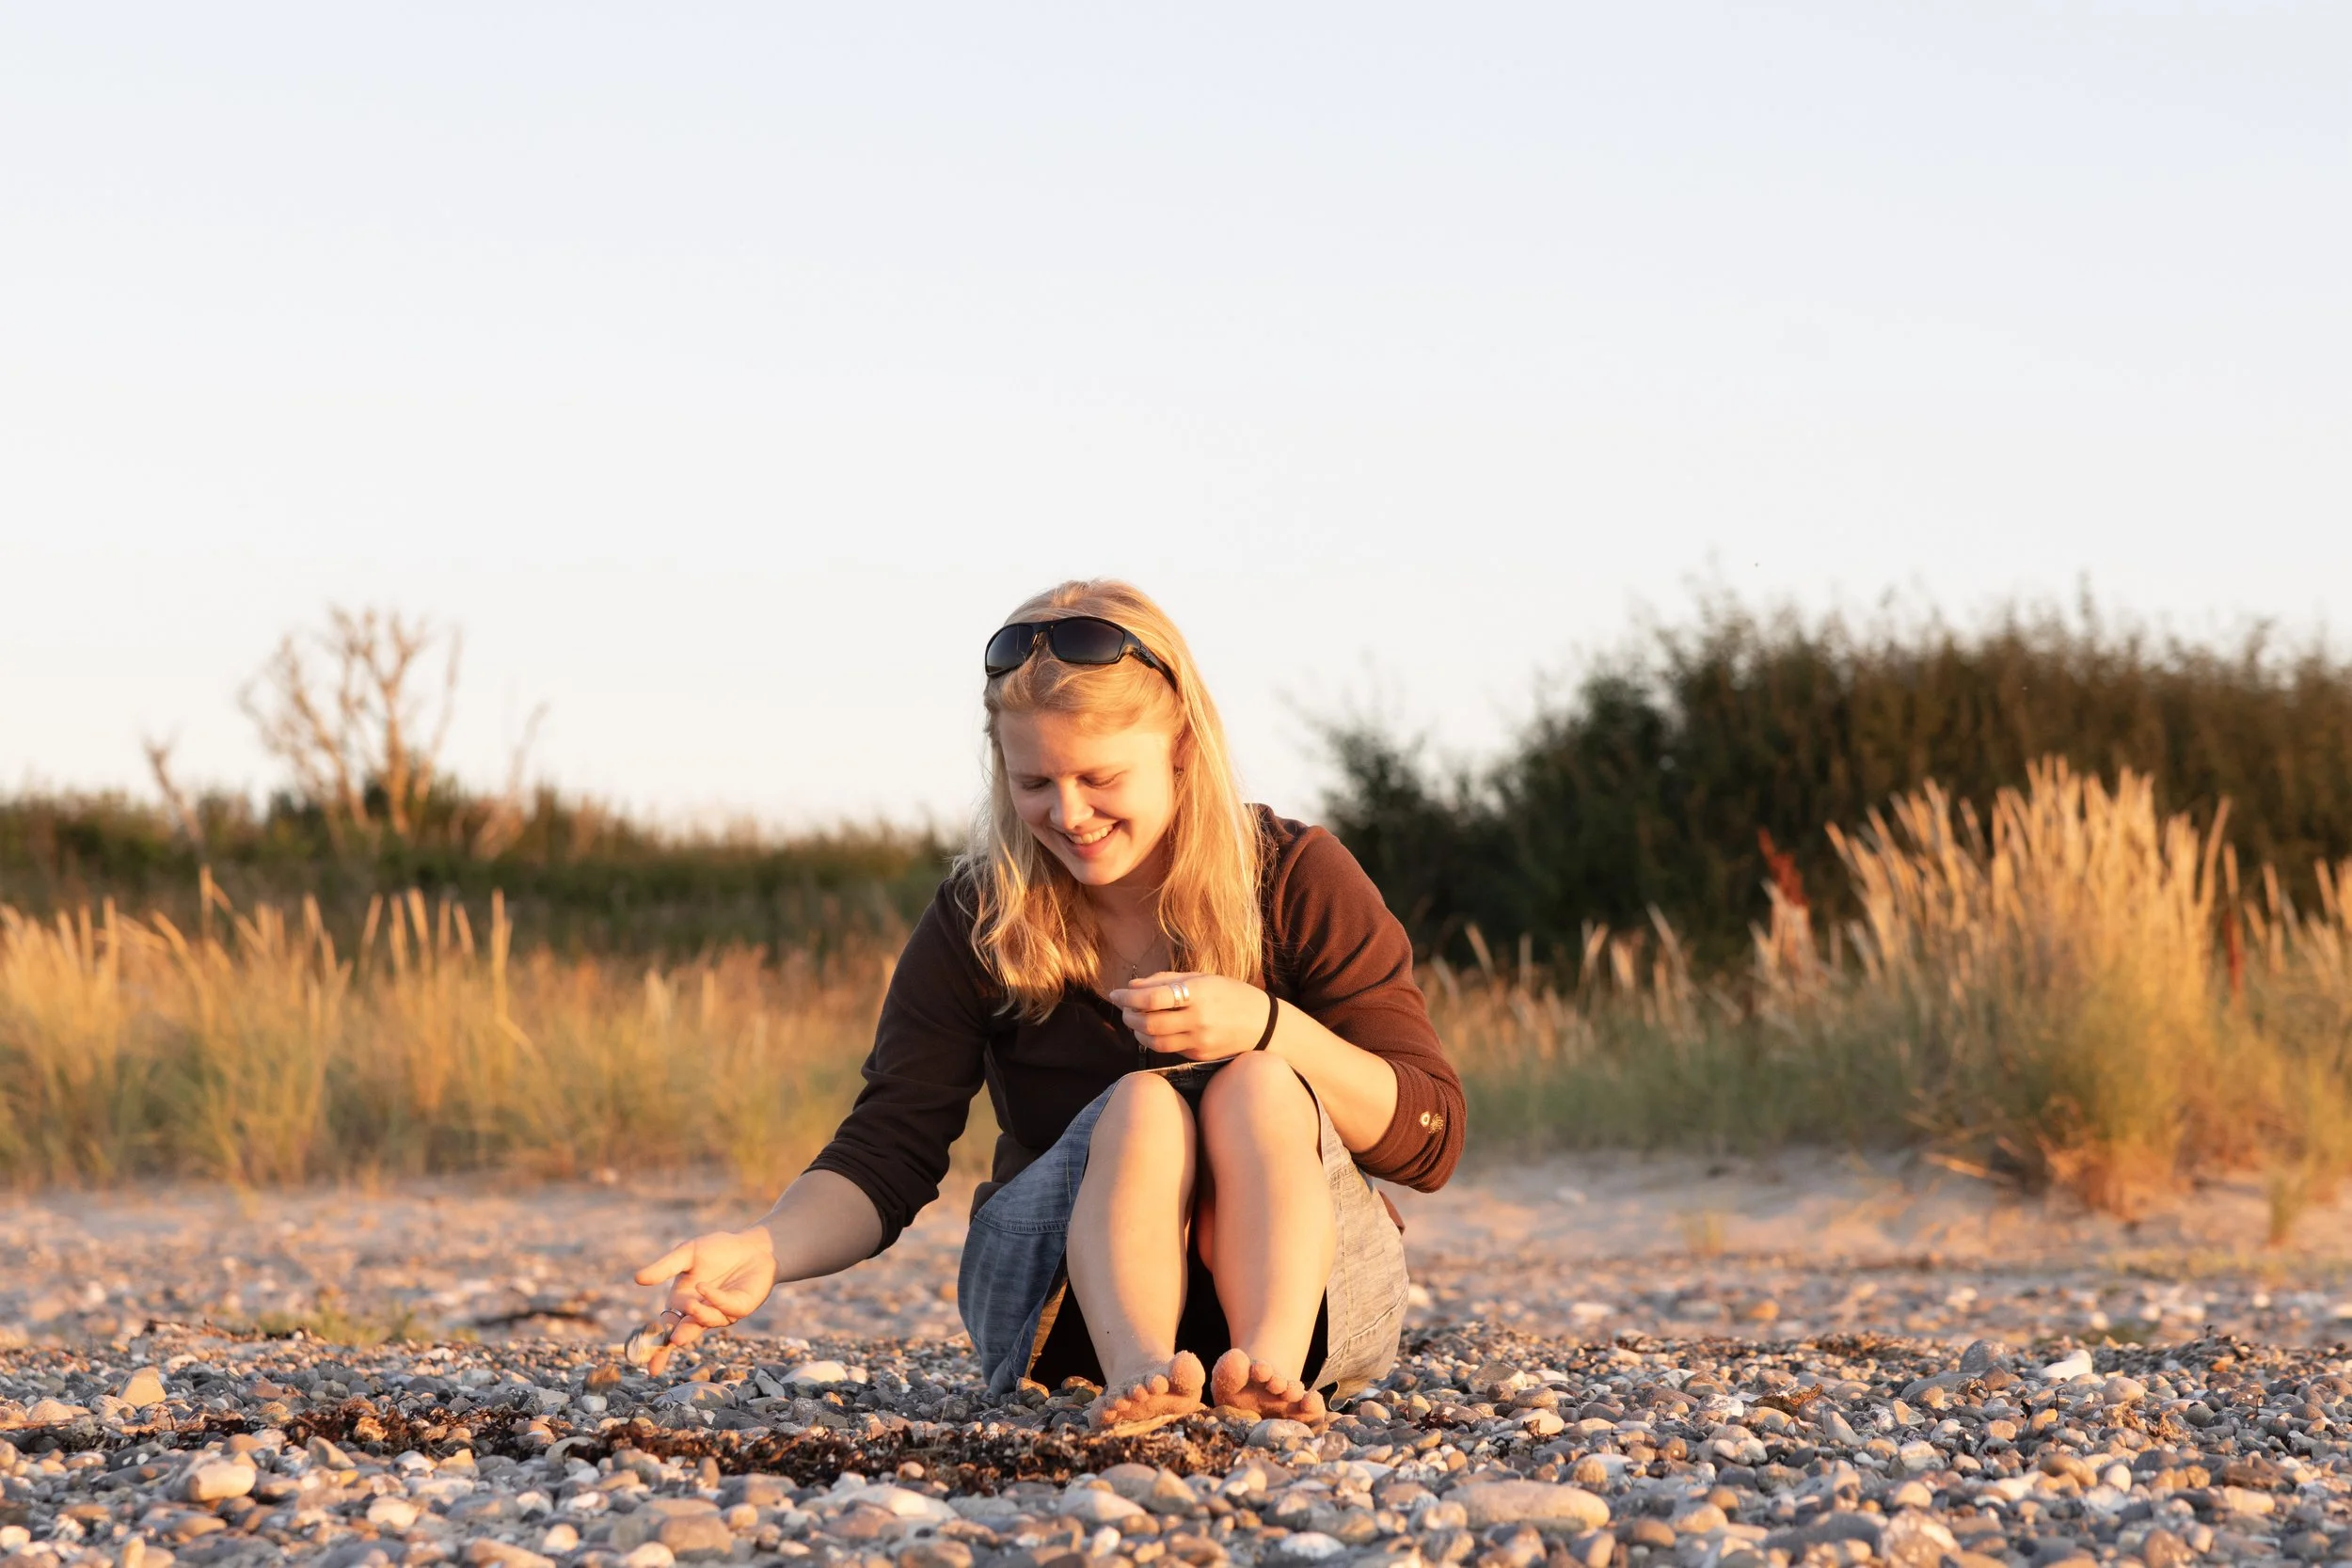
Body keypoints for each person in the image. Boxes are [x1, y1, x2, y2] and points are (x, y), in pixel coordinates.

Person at [634, 579, 1464, 1434]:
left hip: (1318, 1307)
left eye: (1100, 777)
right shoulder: (981, 910)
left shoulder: (1296, 876)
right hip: (1060, 1321)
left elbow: (1429, 1135)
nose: (1068, 815)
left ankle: (1270, 1370)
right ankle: (1139, 1365)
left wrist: (1269, 1026)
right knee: (1141, 1106)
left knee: (1259, 1082)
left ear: (1181, 744)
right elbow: (891, 1145)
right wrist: (766, 1247)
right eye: (1035, 781)